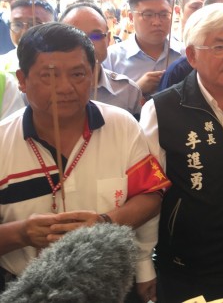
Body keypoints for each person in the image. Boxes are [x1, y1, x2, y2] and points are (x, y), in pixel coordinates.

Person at [0, 23, 171, 301]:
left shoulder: (122, 125)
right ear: (22, 79)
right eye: (49, 76)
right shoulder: (3, 142)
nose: (66, 87)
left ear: (92, 75)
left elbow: (151, 195)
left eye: (78, 74)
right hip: (27, 289)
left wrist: (105, 222)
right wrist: (21, 233)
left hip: (112, 285)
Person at [139, 4, 223, 303]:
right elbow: (149, 194)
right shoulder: (162, 110)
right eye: (219, 46)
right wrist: (143, 263)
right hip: (184, 266)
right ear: (191, 55)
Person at [59, 3, 143, 117]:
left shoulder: (128, 91)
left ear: (108, 39)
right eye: (75, 36)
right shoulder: (41, 91)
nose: (87, 43)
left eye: (96, 36)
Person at [103, 0, 182, 98]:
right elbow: (103, 105)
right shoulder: (111, 58)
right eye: (148, 15)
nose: (157, 22)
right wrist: (136, 89)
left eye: (164, 15)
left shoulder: (186, 55)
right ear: (131, 17)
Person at [0, 0, 56, 74]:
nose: (24, 32)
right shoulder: (2, 66)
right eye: (17, 25)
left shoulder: (67, 62)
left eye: (34, 24)